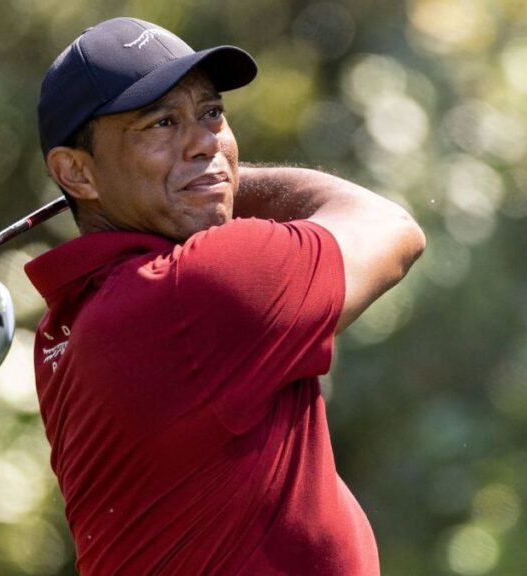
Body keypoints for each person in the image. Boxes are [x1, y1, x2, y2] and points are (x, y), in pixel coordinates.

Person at [24, 17, 425, 575]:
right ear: (76, 172)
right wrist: (218, 179)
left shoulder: (63, 327)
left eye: (211, 113)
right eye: (162, 123)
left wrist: (204, 178)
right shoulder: (197, 290)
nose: (205, 141)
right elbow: (390, 226)